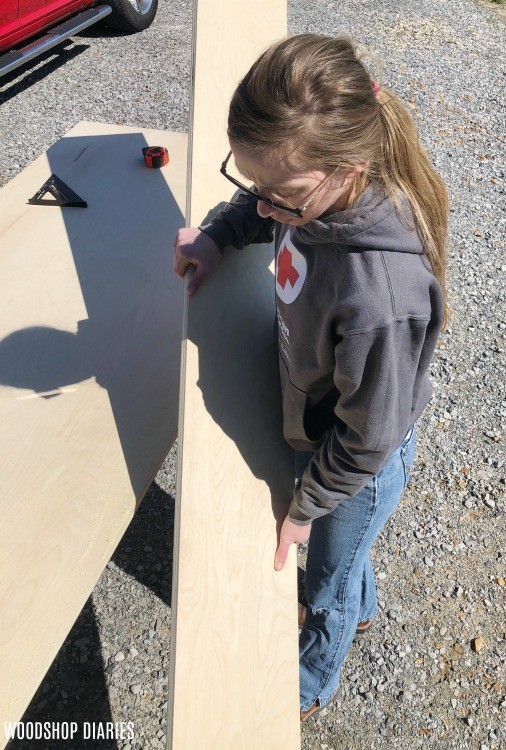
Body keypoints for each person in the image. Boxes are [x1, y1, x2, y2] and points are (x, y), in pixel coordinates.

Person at [173, 33, 448, 724]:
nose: (265, 207)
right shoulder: (307, 197)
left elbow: (369, 438)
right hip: (324, 420)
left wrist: (303, 508)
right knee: (346, 552)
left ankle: (312, 678)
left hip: (354, 454)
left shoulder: (381, 296)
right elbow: (262, 210)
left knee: (326, 578)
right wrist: (216, 235)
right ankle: (360, 598)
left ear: (347, 170)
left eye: (279, 197)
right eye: (253, 186)